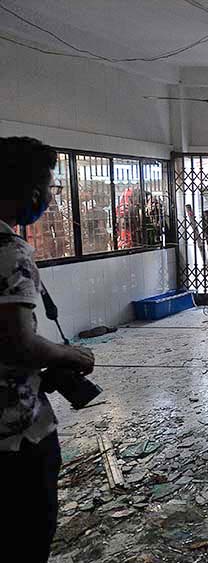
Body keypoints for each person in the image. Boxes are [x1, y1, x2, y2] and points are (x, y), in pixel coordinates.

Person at [0, 137, 95, 563]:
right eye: (50, 186)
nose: (48, 198)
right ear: (30, 190)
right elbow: (19, 342)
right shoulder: (9, 251)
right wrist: (67, 355)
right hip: (15, 433)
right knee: (28, 534)